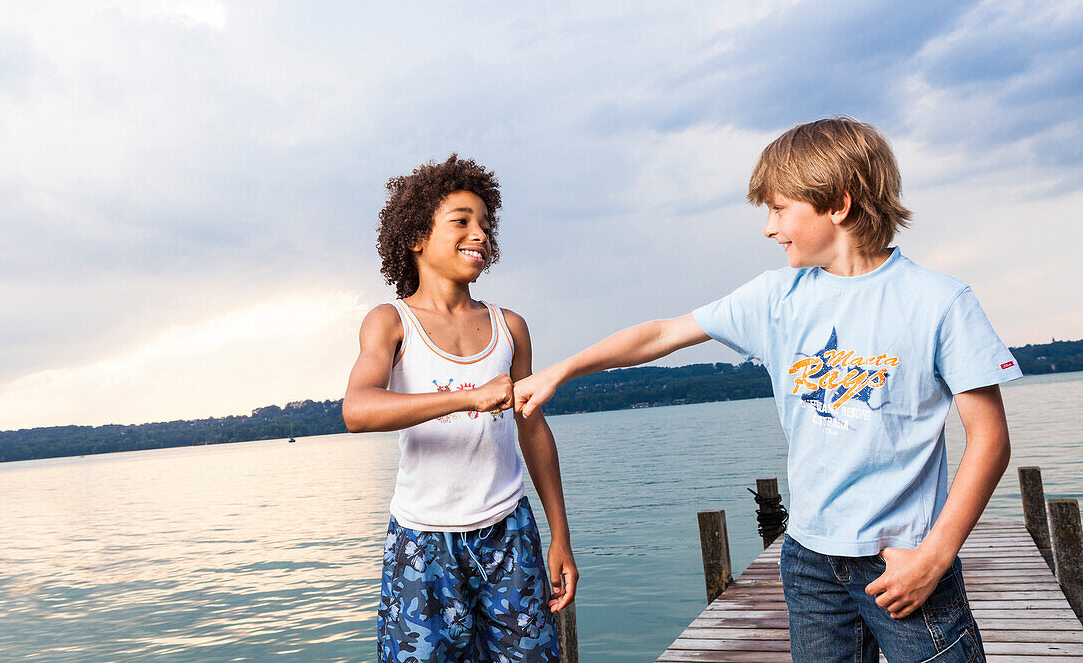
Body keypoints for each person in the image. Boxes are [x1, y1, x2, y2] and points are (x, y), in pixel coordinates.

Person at [515, 117, 1018, 663]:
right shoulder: (777, 296)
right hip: (810, 562)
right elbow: (661, 334)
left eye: (779, 209)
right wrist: (560, 371)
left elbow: (989, 439)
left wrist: (935, 557)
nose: (768, 228)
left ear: (838, 205)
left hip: (903, 556)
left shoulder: (939, 302)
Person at [343, 154, 577, 663]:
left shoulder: (509, 327)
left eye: (485, 225)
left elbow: (533, 433)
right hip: (422, 543)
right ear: (416, 237)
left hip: (509, 532)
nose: (480, 234)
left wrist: (560, 535)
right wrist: (470, 396)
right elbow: (358, 409)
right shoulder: (391, 321)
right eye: (462, 221)